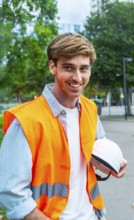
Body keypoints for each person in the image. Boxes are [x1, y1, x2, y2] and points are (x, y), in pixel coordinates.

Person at [0, 33, 127, 220]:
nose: (77, 77)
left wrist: (114, 163)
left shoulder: (90, 109)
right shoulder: (26, 120)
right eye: (69, 68)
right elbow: (10, 192)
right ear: (53, 66)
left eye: (84, 69)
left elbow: (94, 151)